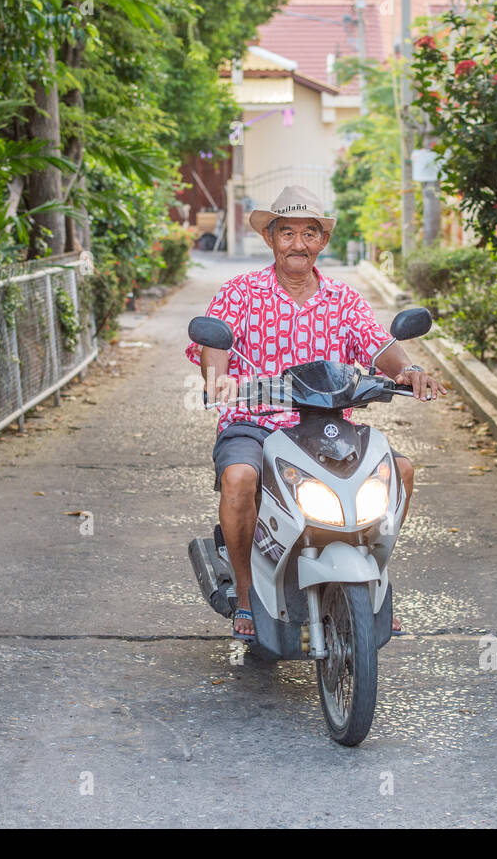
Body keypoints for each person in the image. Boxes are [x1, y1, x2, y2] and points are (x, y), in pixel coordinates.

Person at [184, 185, 447, 638]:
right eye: (287, 233)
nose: (298, 244)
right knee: (239, 479)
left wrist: (409, 371)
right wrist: (219, 377)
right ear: (270, 238)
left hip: (326, 427)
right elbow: (213, 346)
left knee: (398, 472)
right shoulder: (240, 293)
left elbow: (380, 347)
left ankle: (373, 583)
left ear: (322, 242)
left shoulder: (342, 299)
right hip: (257, 424)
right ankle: (248, 595)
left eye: (309, 233)